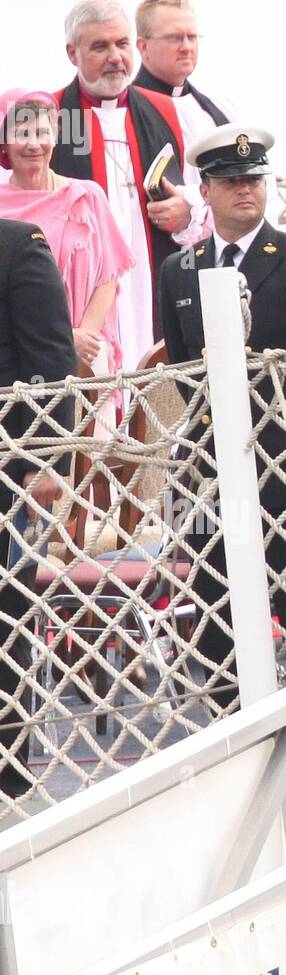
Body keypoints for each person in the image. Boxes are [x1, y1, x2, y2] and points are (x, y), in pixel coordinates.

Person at [158, 125, 286, 708]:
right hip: (211, 476)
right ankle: (233, 730)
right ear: (205, 189)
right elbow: (181, 371)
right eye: (230, 181)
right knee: (215, 615)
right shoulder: (179, 272)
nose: (245, 191)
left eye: (254, 179)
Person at [50, 1, 199, 374]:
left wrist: (187, 212)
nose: (115, 57)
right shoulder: (51, 115)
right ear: (73, 53)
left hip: (152, 275)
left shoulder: (168, 111)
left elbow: (205, 194)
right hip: (85, 290)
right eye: (100, 47)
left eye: (122, 44)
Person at [0, 217, 78, 803]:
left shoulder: (18, 245)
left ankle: (7, 776)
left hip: (9, 467)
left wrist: (45, 460)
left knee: (6, 617)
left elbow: (52, 358)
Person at [0, 90, 133, 383]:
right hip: (17, 358)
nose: (34, 144)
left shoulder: (87, 196)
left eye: (42, 132)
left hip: (89, 352)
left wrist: (80, 337)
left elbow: (108, 279)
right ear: (5, 144)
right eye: (22, 133)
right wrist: (62, 337)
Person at [132, 0, 285, 230]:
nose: (186, 47)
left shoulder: (222, 109)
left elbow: (258, 185)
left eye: (192, 37)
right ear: (143, 47)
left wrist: (195, 213)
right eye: (174, 38)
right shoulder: (126, 115)